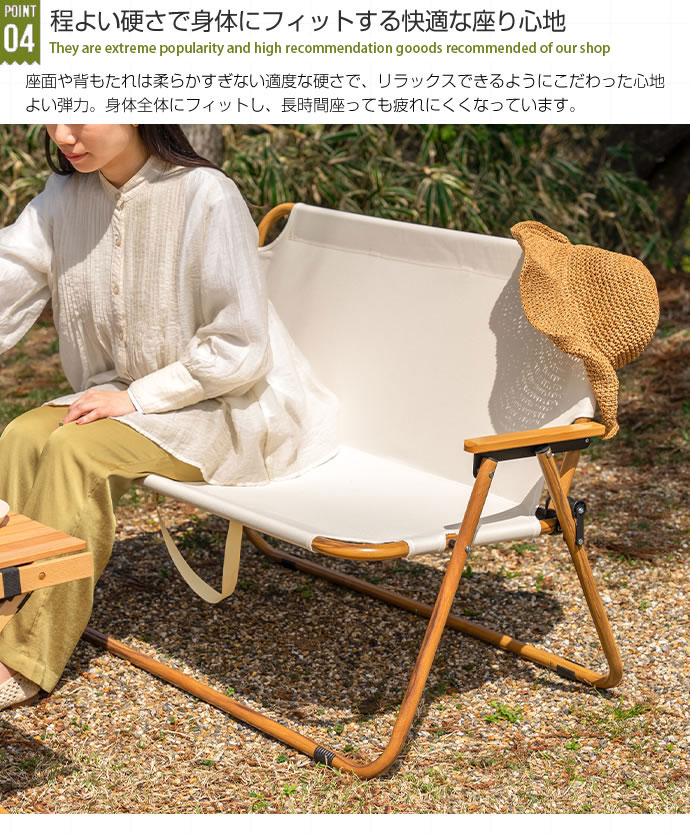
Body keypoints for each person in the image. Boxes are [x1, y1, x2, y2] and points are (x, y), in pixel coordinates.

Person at [0, 124, 339, 711]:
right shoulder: (64, 196)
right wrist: (126, 396)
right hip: (125, 393)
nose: (64, 134)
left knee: (76, 453)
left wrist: (139, 397)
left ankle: (26, 657)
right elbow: (10, 272)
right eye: (52, 114)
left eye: (81, 113)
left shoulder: (206, 193)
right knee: (23, 433)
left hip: (229, 403)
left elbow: (240, 345)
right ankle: (6, 610)